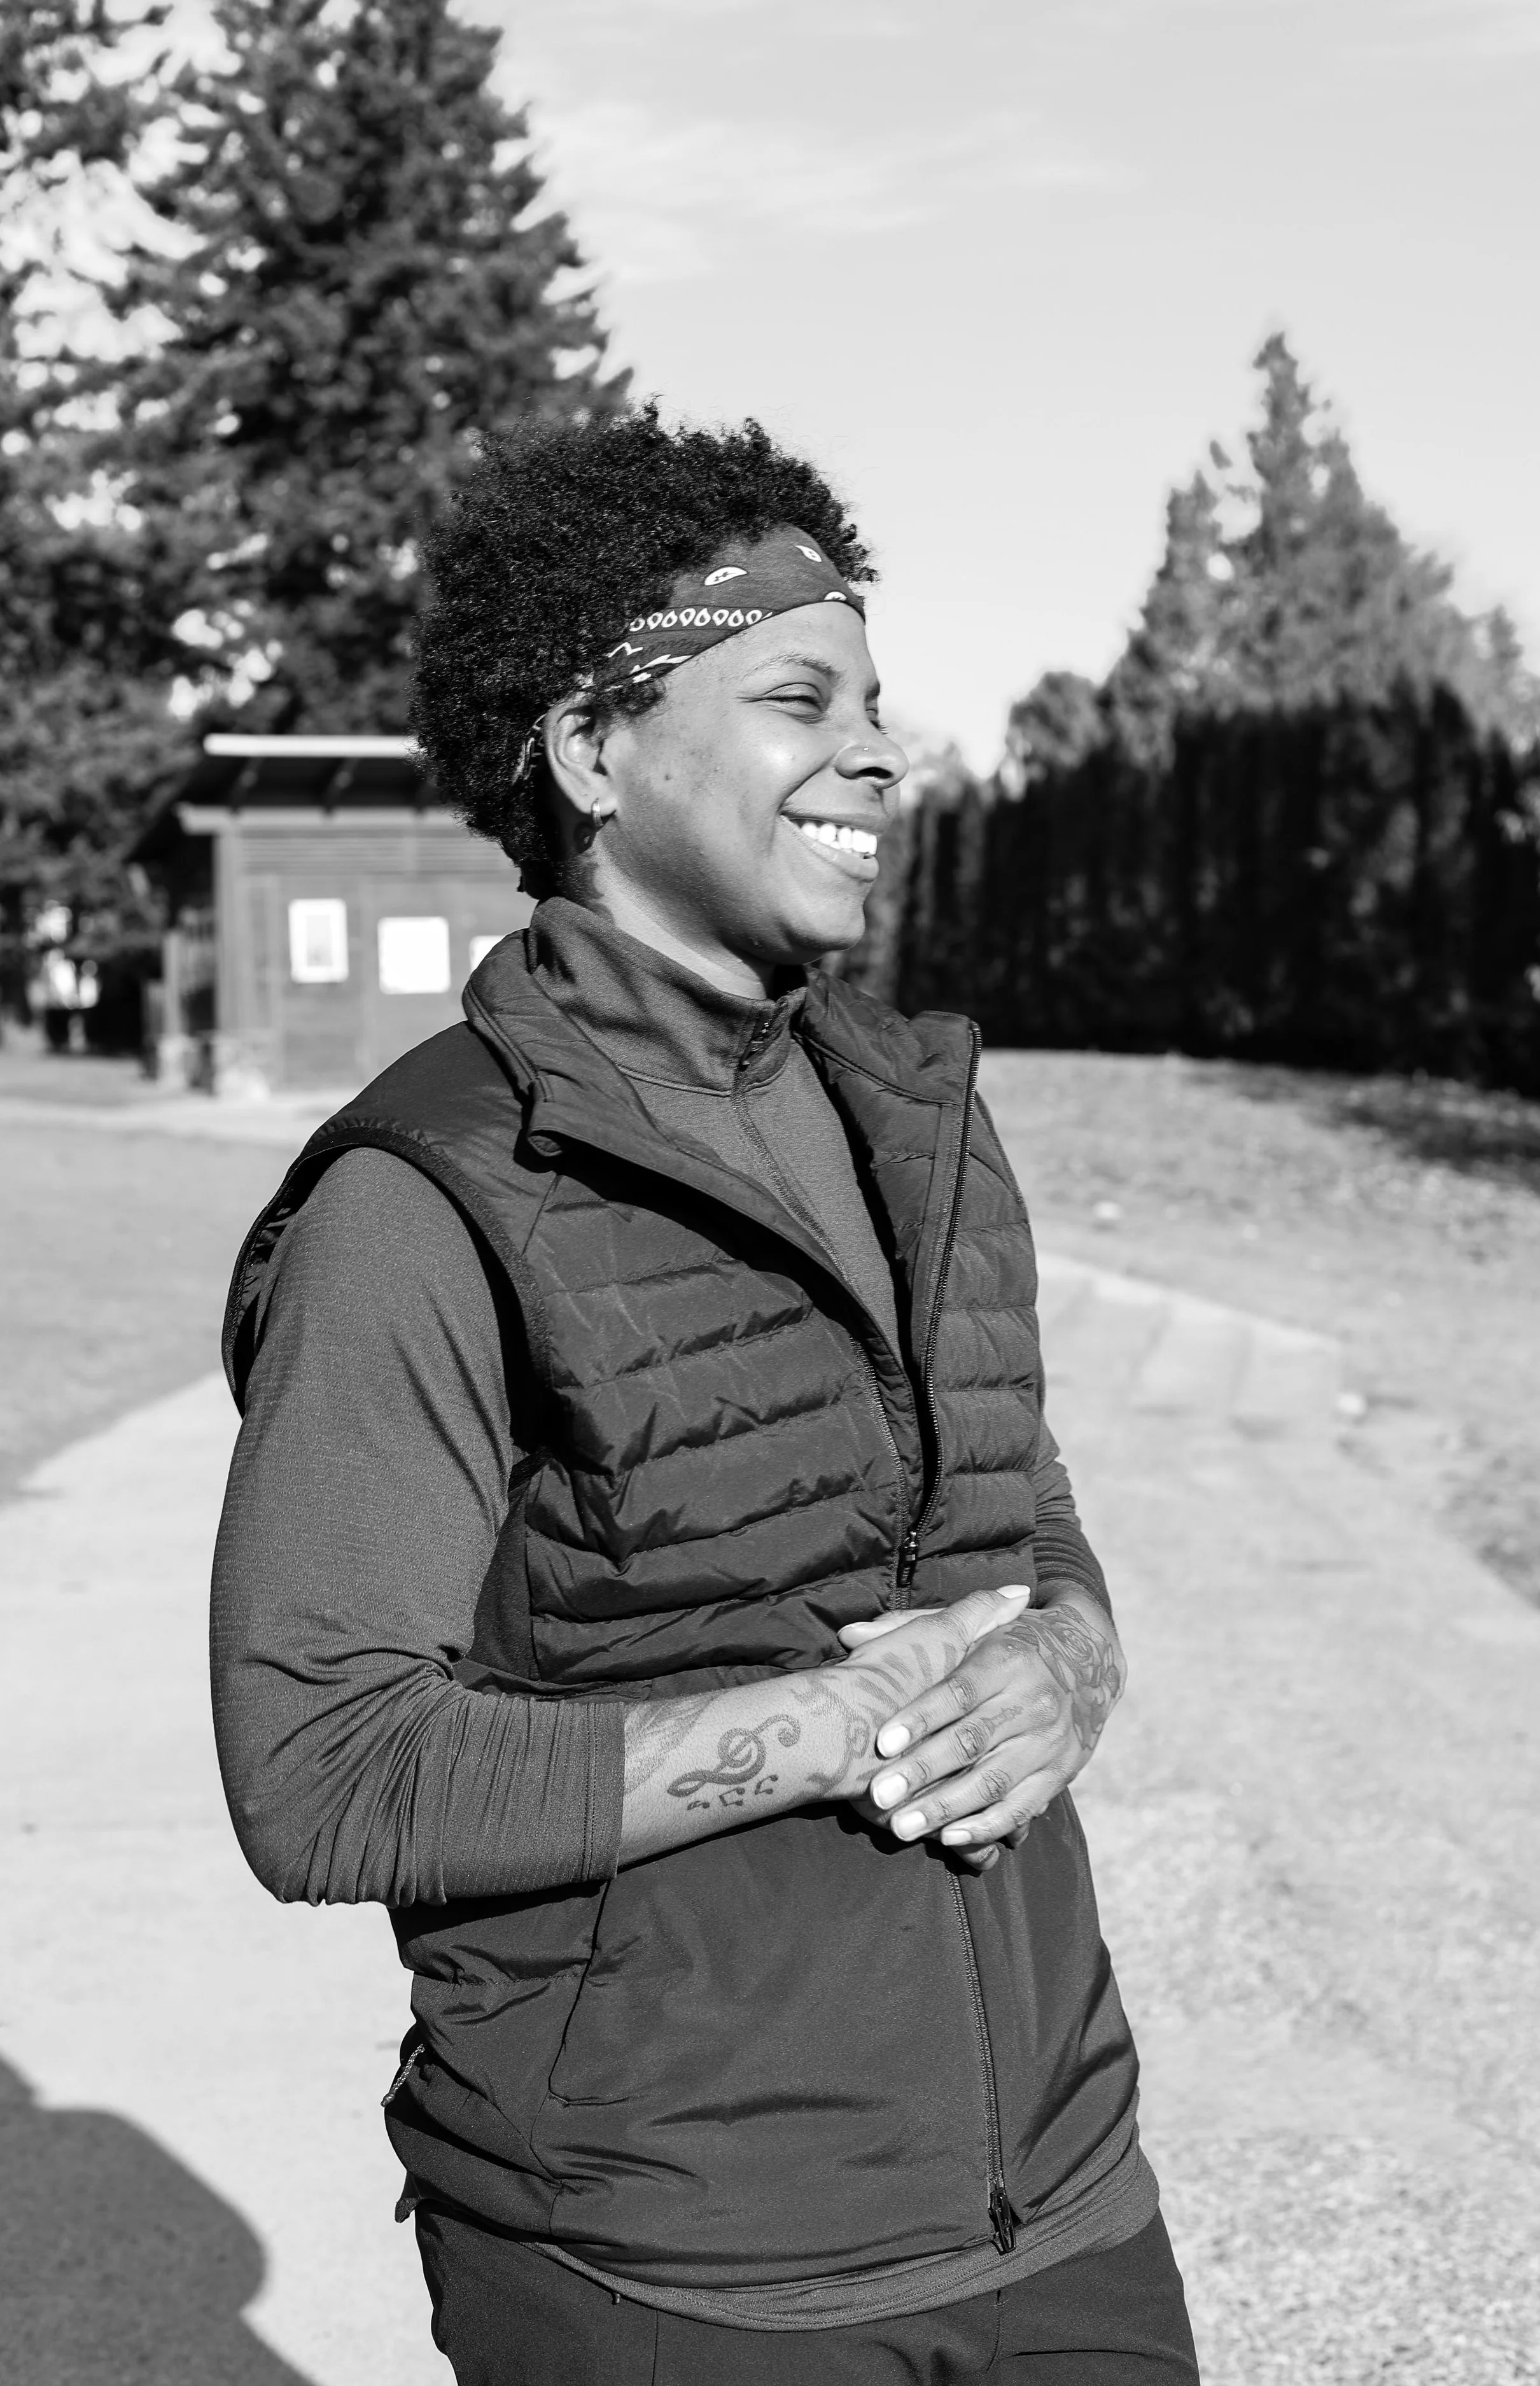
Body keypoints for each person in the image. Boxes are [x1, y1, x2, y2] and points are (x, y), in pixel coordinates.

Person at [212, 407, 1199, 2385]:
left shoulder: (921, 1118)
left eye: (876, 703)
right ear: (595, 749)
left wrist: (1066, 1665)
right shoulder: (429, 1198)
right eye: (796, 700)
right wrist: (830, 1727)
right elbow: (318, 1769)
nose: (877, 753)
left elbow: (1027, 1523)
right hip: (661, 2264)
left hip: (1061, 2203)